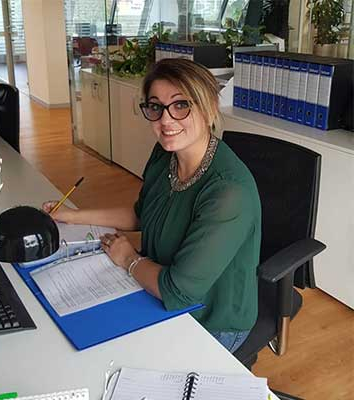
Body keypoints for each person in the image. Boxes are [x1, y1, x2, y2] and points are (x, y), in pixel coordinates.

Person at [43, 58, 261, 353]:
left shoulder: (228, 192)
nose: (166, 120)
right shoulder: (165, 154)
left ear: (209, 107)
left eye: (181, 105)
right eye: (156, 107)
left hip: (209, 320)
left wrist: (128, 258)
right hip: (154, 286)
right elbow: (141, 214)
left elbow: (178, 291)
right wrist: (72, 215)